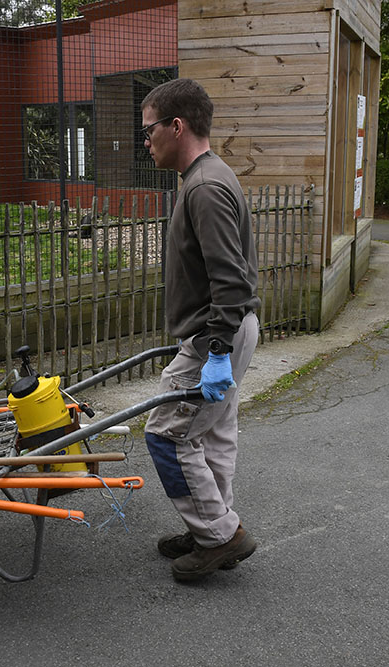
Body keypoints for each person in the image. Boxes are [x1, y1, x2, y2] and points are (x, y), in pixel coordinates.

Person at [139, 78, 261, 582]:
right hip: (229, 331)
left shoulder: (205, 187)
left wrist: (213, 349)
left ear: (177, 125)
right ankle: (214, 526)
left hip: (219, 333)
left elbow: (228, 280)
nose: (145, 140)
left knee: (167, 435)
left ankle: (218, 534)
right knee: (210, 435)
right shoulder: (206, 177)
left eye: (148, 129)